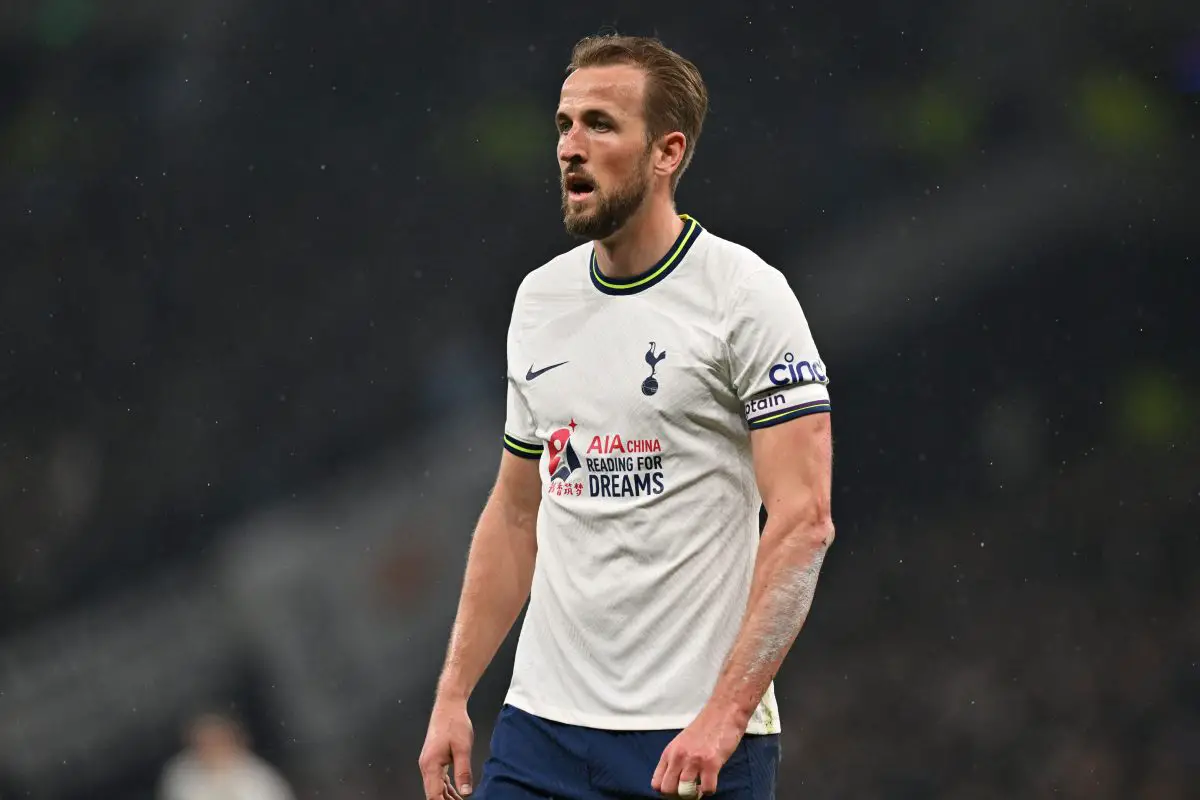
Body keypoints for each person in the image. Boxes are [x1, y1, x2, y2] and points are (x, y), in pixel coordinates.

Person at [419, 33, 834, 800]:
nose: (571, 148)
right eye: (563, 125)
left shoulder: (744, 296)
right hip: (540, 732)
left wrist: (724, 716)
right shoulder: (540, 301)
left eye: (600, 125)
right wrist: (453, 695)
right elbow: (516, 513)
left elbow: (804, 521)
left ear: (667, 152)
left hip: (692, 743)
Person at [158, 712, 295, 800]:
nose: (211, 749)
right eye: (204, 743)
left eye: (217, 741)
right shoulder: (180, 774)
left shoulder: (259, 778)